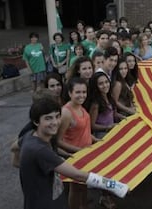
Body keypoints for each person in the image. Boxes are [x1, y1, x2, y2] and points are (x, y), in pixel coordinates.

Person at [19, 97, 128, 209]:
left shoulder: (30, 135)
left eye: (57, 116)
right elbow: (78, 175)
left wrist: (28, 167)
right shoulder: (40, 150)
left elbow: (14, 149)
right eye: (48, 118)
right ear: (36, 121)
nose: (55, 122)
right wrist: (117, 186)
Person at [56, 78, 99, 209]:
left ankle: (84, 206)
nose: (82, 95)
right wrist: (77, 151)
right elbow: (57, 141)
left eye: (84, 92)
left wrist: (96, 141)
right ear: (70, 93)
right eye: (78, 92)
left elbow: (85, 131)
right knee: (75, 189)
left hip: (86, 154)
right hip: (75, 157)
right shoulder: (66, 113)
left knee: (84, 184)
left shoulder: (81, 107)